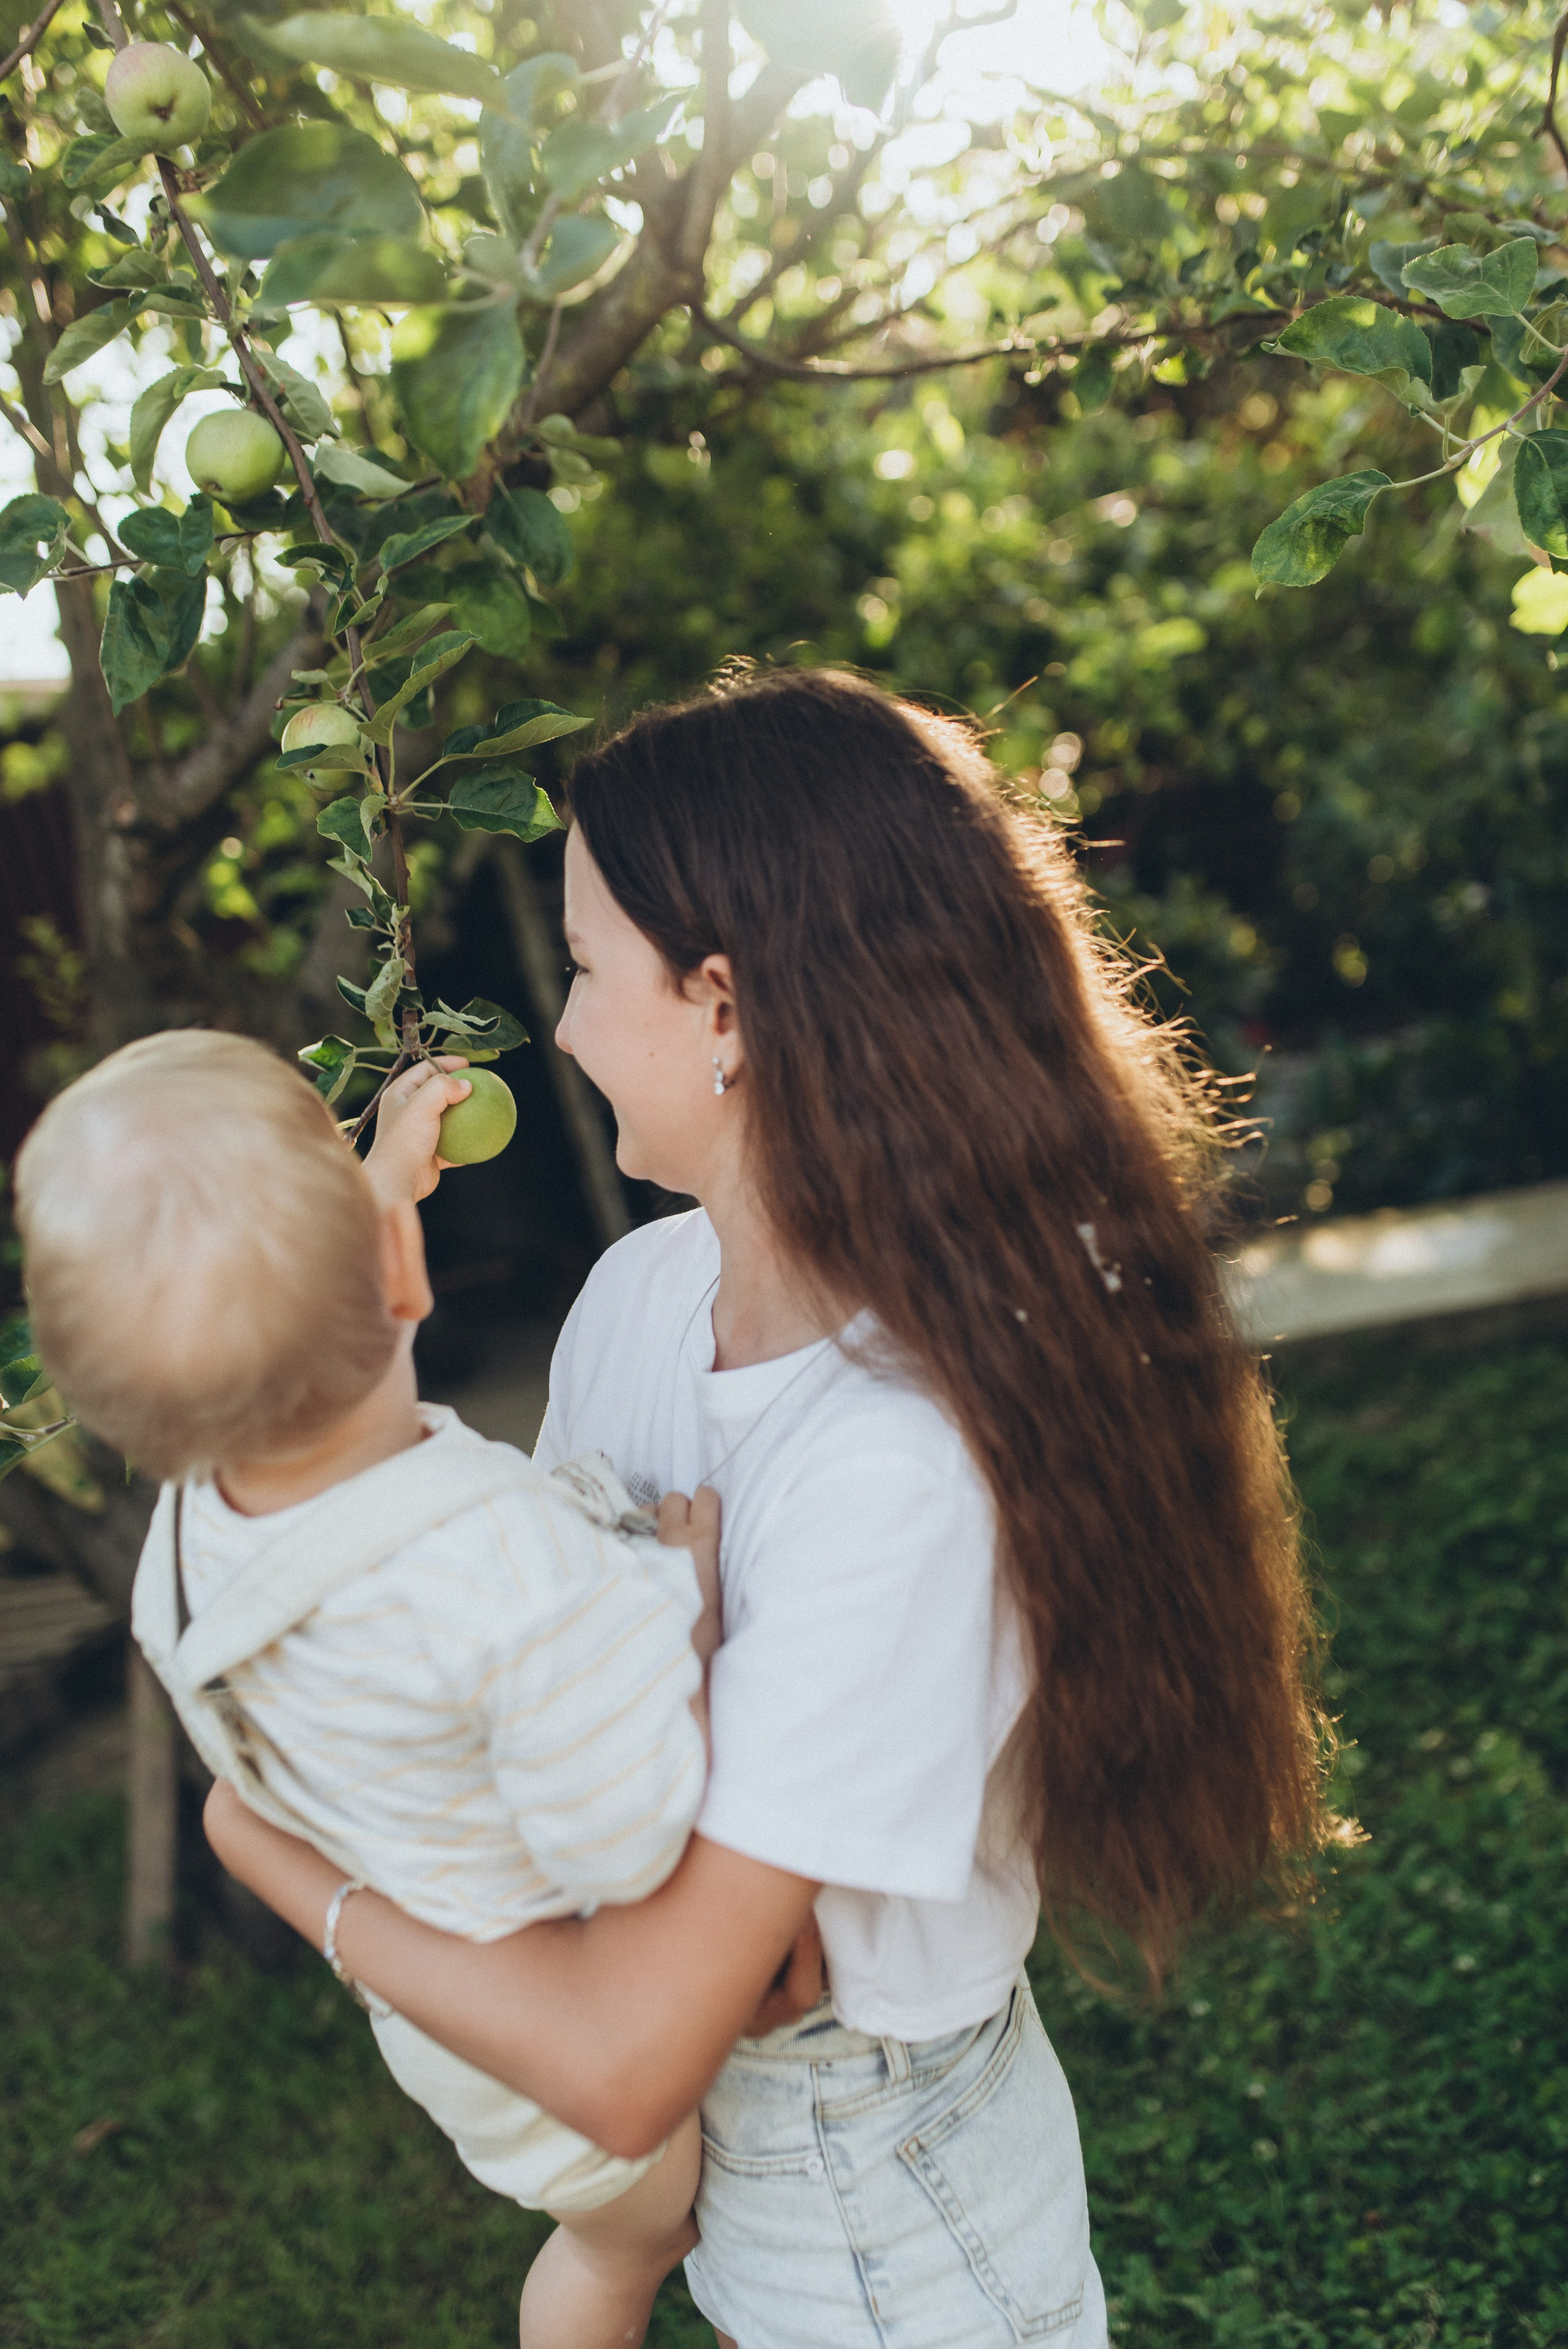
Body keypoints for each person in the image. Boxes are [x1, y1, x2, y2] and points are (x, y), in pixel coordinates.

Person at [205, 666, 1335, 2348]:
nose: (566, 1028)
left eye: (587, 971)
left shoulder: (897, 1464)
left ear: (724, 1008)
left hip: (887, 2198)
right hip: (748, 2154)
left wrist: (301, 1865)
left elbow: (652, 2025)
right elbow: (542, 1716)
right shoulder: (644, 1296)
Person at [12, 1028, 729, 2349]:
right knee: (641, 2245)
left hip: (453, 2042)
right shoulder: (495, 1570)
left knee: (598, 2250)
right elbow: (628, 1840)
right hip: (587, 2088)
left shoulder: (190, 1541)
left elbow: (288, 1306)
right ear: (407, 1274)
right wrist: (686, 1611)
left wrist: (387, 1171)